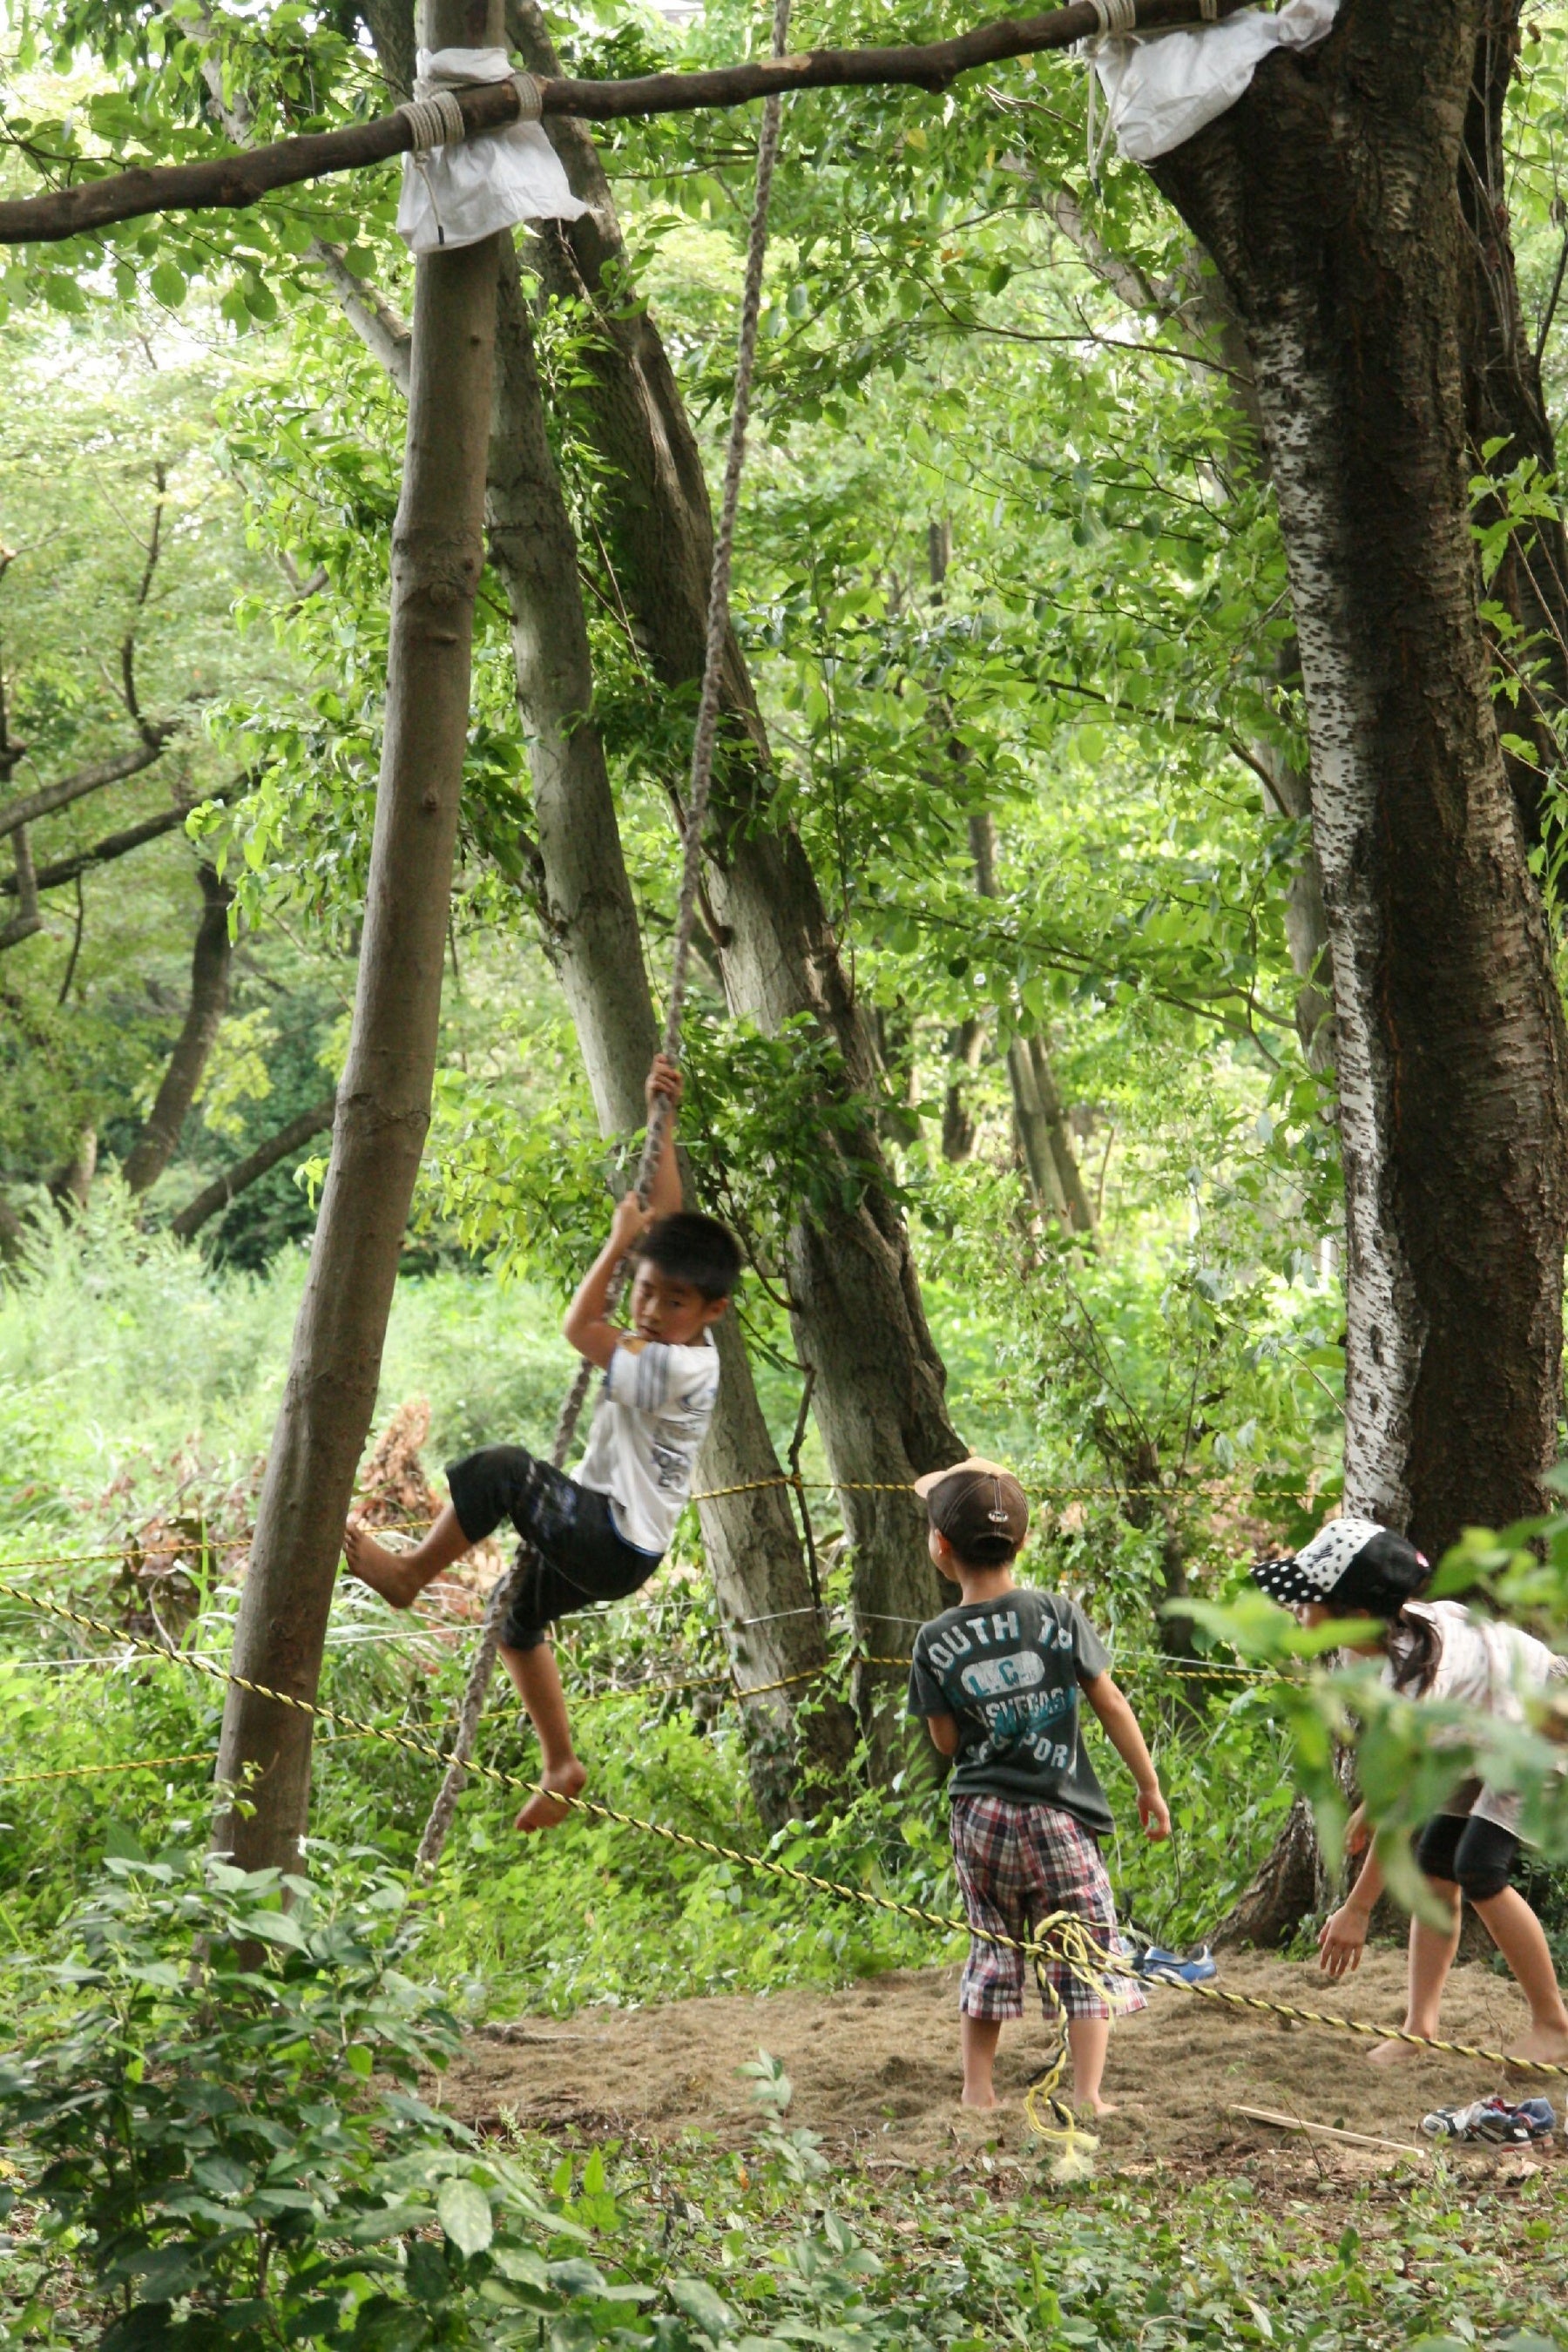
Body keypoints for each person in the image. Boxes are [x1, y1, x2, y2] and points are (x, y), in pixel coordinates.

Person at [345, 1054, 738, 1832]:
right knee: (514, 1615)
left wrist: (617, 1246)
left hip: (612, 1537)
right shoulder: (672, 1331)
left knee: (505, 1473)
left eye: (675, 1301)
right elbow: (663, 1227)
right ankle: (561, 1764)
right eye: (647, 1290)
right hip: (618, 1541)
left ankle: (411, 1576)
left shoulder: (678, 1371)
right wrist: (665, 1114)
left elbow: (578, 1328)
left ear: (713, 1313)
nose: (653, 1309)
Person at [1253, 1517, 1568, 2070]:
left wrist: (1358, 1908)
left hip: (1539, 1727)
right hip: (1476, 1733)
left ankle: (1554, 2024)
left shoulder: (1415, 1679)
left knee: (1479, 1871)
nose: (1297, 1611)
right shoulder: (1370, 1652)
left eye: (1308, 1600)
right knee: (1433, 1871)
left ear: (1353, 1615)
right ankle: (1419, 2027)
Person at [907, 1458, 1172, 2115]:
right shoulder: (1057, 1613)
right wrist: (1148, 1785)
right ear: (1022, 1541)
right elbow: (1108, 1700)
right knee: (1085, 1944)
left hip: (980, 1818)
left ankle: (978, 2090)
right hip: (1058, 1814)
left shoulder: (933, 1640)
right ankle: (1087, 2094)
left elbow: (944, 1743)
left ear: (941, 1546)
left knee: (991, 1943)